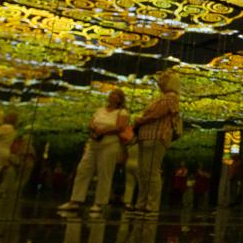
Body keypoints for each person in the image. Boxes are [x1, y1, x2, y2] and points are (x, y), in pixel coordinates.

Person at [58, 89, 129, 217]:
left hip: (110, 144)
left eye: (115, 95)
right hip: (94, 143)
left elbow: (120, 127)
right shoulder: (100, 110)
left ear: (120, 99)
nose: (112, 96)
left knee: (104, 173)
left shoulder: (122, 112)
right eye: (111, 94)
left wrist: (104, 131)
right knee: (83, 169)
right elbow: (91, 122)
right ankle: (75, 200)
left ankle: (99, 203)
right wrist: (94, 128)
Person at [132, 70, 181, 215]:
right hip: (146, 136)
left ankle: (151, 204)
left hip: (157, 136)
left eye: (163, 79)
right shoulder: (162, 97)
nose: (160, 81)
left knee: (151, 172)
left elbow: (157, 114)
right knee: (143, 172)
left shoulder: (171, 97)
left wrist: (141, 120)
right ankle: (142, 203)